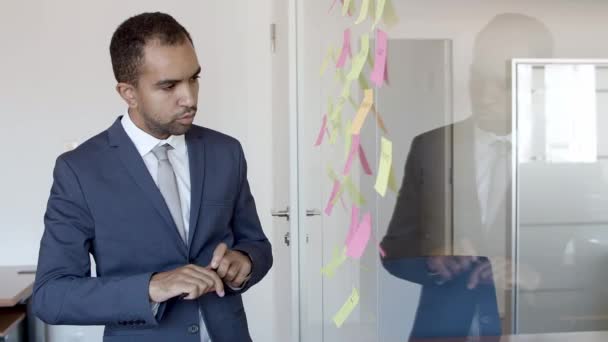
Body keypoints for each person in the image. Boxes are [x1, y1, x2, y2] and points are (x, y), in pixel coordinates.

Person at [32, 12, 272, 342]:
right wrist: (153, 286)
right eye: (169, 85)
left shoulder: (226, 152)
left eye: (194, 78)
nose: (189, 98)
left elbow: (257, 244)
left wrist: (244, 261)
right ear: (128, 93)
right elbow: (51, 295)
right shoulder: (79, 171)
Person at [380, 13, 553, 340]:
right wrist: (432, 261)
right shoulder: (431, 147)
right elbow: (394, 249)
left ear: (537, 80)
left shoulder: (566, 158)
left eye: (502, 80)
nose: (484, 95)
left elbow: (593, 264)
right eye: (478, 76)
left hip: (530, 330)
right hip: (442, 330)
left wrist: (535, 277)